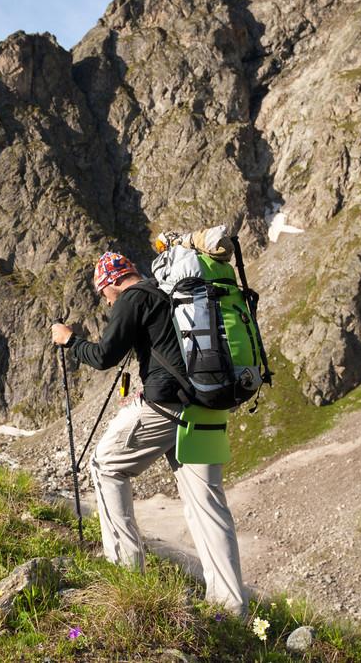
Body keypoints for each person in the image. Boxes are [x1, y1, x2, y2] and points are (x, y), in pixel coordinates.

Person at [50, 251, 247, 615]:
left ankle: (126, 577)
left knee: (104, 466)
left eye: (103, 293)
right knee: (208, 504)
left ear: (109, 282)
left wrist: (69, 340)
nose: (106, 300)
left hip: (166, 407)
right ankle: (229, 607)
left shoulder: (133, 297)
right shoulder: (168, 294)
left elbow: (105, 356)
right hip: (205, 403)